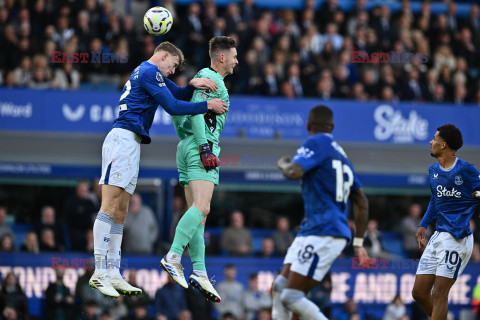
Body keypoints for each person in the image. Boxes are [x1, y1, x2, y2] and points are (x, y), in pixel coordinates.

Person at [89, 41, 228, 298]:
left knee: (121, 210)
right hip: (121, 139)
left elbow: (178, 94)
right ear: (163, 56)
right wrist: (207, 105)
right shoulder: (150, 71)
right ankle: (99, 271)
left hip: (131, 142)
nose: (172, 71)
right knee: (109, 206)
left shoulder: (149, 73)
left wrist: (192, 87)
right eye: (172, 65)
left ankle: (113, 271)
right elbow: (173, 107)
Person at [272, 105, 370, 320]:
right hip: (315, 229)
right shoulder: (342, 155)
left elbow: (294, 171)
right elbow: (361, 201)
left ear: (308, 126)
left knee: (290, 295)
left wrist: (284, 163)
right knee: (279, 287)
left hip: (324, 230)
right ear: (332, 127)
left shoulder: (315, 142)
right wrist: (359, 243)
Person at [161, 36, 238, 303]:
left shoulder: (202, 78)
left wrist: (192, 143)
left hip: (187, 145)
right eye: (234, 56)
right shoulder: (210, 77)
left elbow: (182, 114)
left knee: (198, 217)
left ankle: (200, 272)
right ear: (221, 58)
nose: (237, 61)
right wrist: (204, 147)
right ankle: (173, 255)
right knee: (203, 208)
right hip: (201, 146)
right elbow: (196, 114)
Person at [412, 124, 480, 320]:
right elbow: (435, 200)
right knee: (418, 293)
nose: (430, 142)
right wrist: (423, 225)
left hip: (458, 238)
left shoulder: (467, 170)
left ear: (443, 145)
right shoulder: (433, 170)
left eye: (434, 138)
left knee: (439, 293)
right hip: (438, 235)